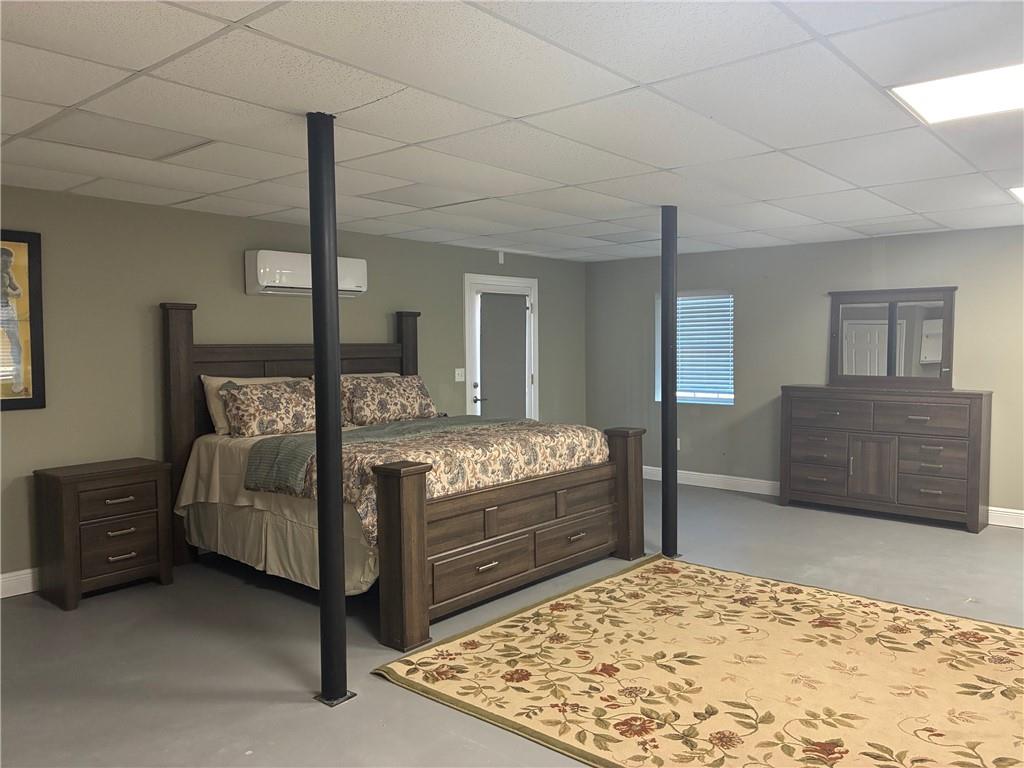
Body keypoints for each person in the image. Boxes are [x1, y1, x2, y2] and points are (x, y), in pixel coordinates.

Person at [1, 246, 25, 394]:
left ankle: (18, 380)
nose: (8, 265)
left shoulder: (7, 273)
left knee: (16, 344)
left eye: (10, 263)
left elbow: (19, 291)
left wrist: (9, 292)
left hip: (6, 309)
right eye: (5, 262)